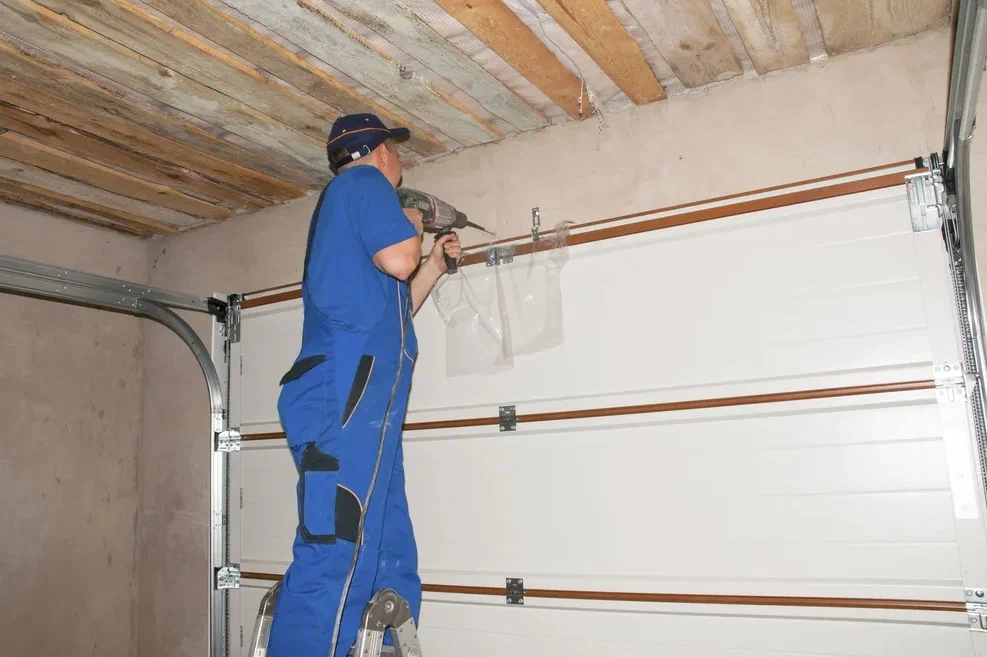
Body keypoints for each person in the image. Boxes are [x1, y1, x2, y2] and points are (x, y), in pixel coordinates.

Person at [267, 114, 461, 657]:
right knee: (337, 534)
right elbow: (398, 259)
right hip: (342, 393)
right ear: (381, 153)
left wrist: (433, 266)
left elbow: (394, 312)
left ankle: (379, 642)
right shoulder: (363, 183)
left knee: (385, 533)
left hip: (366, 402)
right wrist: (414, 222)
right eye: (396, 152)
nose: (400, 162)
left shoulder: (351, 218)